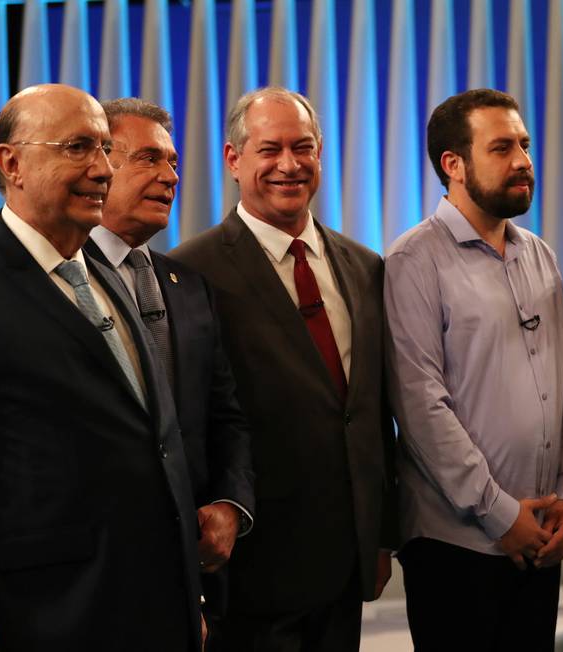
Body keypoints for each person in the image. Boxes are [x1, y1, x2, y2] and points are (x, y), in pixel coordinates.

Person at [170, 87, 395, 651]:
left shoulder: (366, 267)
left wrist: (381, 536)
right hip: (251, 569)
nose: (289, 165)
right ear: (233, 159)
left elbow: (372, 414)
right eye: (270, 149)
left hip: (347, 563)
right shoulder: (186, 273)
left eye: (304, 148)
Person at [0, 84, 202, 650]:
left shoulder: (108, 273)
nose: (103, 169)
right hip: (49, 615)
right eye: (79, 147)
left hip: (156, 603)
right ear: (11, 162)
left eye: (107, 149)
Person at [384, 88, 563, 652]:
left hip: (541, 534)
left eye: (524, 144)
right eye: (502, 148)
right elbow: (421, 406)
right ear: (454, 164)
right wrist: (500, 514)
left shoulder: (540, 254)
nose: (523, 160)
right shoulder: (413, 260)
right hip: (458, 545)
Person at [83, 98, 255, 633]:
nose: (171, 176)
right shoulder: (63, 281)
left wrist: (230, 505)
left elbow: (225, 414)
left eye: (174, 162)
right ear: (101, 166)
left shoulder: (188, 284)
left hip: (198, 573)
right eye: (150, 159)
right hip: (100, 576)